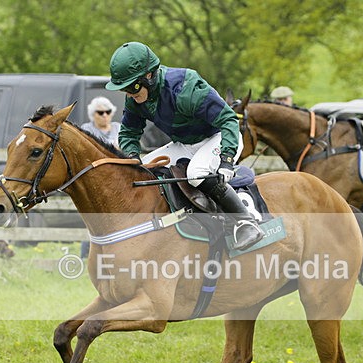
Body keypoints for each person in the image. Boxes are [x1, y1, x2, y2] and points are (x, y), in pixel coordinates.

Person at [105, 41, 263, 250]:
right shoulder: (135, 98)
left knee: (197, 173)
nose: (129, 93)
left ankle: (245, 222)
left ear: (149, 76)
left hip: (219, 136)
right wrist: (132, 157)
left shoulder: (185, 89)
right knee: (140, 171)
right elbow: (129, 132)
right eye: (123, 88)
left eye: (132, 86)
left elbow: (228, 120)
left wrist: (226, 159)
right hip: (185, 143)